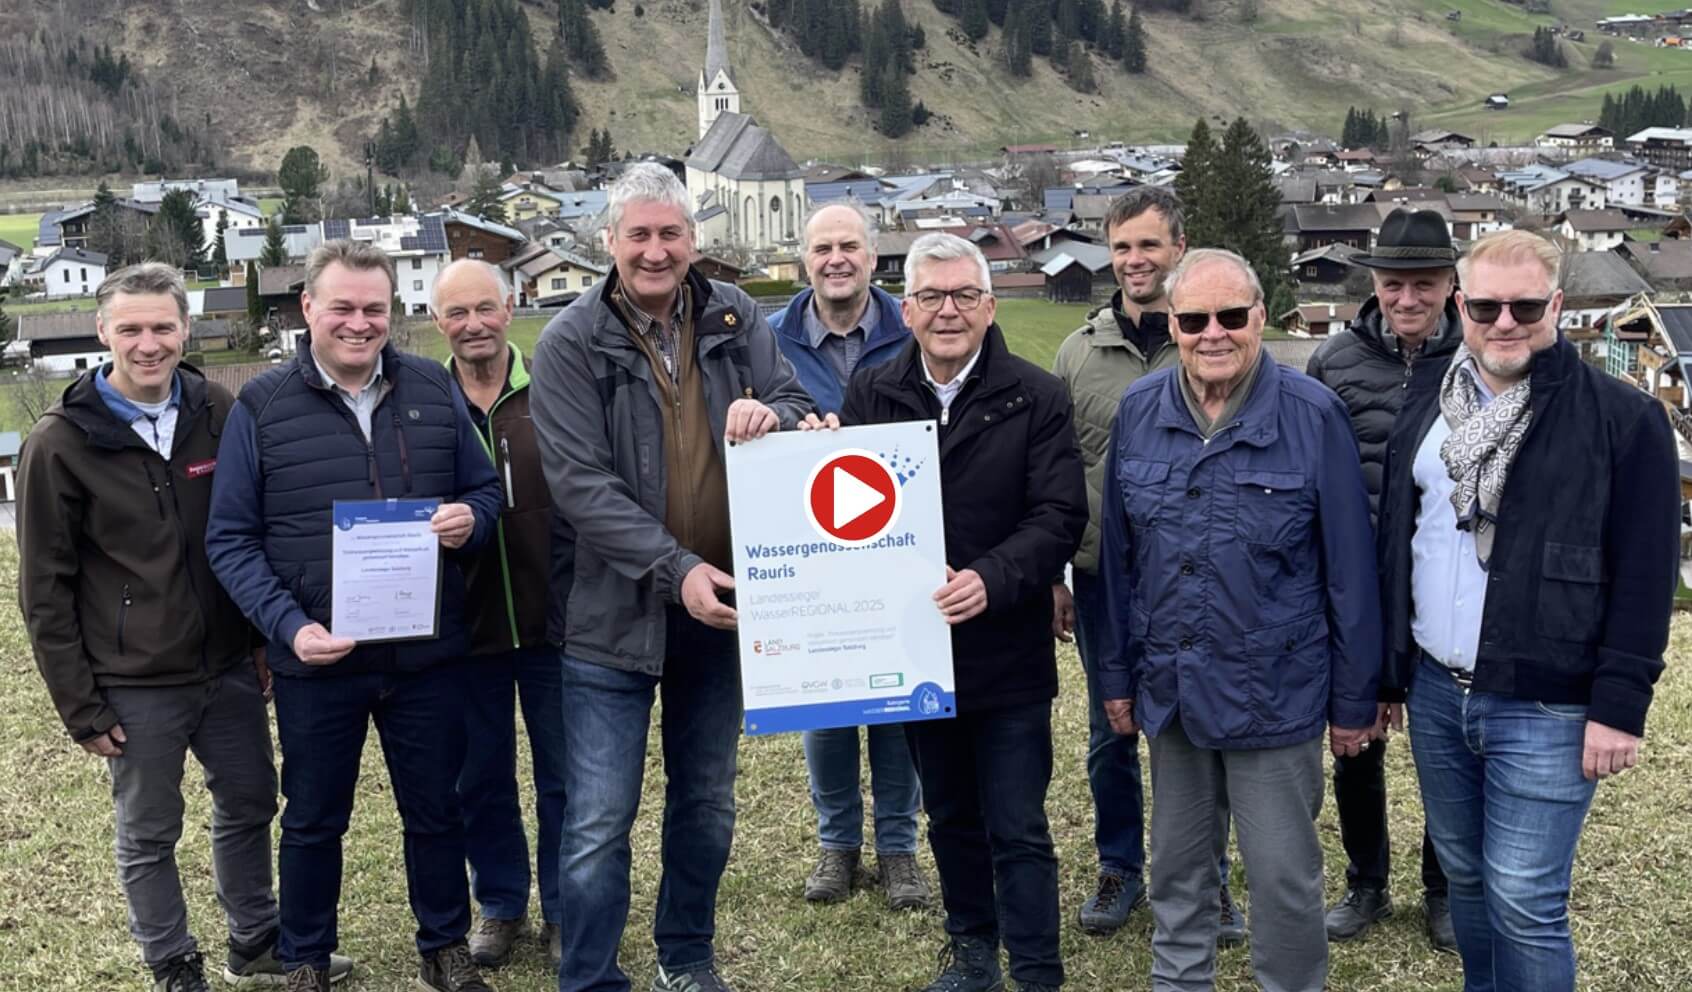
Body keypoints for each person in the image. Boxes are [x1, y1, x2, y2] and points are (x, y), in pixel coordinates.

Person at [17, 263, 352, 992]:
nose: (148, 343)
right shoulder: (60, 442)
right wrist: (80, 704)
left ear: (186, 329)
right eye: (131, 328)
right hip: (135, 680)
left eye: (162, 327)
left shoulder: (216, 410)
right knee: (149, 830)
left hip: (228, 665)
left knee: (251, 801)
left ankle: (254, 938)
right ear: (103, 332)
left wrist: (259, 638)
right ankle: (171, 961)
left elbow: (246, 533)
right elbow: (44, 589)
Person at [526, 162, 812, 992]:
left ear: (693, 239)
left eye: (671, 234)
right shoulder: (570, 342)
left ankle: (685, 958)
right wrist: (674, 568)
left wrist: (774, 414)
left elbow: (798, 402)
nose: (656, 251)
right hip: (609, 618)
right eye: (640, 235)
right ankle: (590, 978)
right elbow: (580, 486)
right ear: (608, 241)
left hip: (719, 611)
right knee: (596, 823)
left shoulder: (736, 314)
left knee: (707, 803)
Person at [1376, 229, 1678, 992]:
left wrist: (1620, 706)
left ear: (1557, 306)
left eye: (1525, 306)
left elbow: (1646, 575)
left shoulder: (1622, 419)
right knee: (1466, 876)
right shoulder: (1430, 402)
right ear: (1461, 308)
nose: (1504, 322)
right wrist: (1389, 672)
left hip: (1548, 701)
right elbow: (1402, 539)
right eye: (1485, 307)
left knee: (1525, 897)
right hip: (1437, 691)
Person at [206, 240, 505, 992]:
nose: (360, 323)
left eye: (375, 309)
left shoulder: (431, 386)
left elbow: (485, 491)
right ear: (308, 307)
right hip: (318, 657)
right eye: (342, 307)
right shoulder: (261, 406)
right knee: (312, 818)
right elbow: (230, 539)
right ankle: (305, 957)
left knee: (435, 809)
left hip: (425, 653)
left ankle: (444, 946)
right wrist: (288, 627)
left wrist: (471, 520)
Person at [1098, 249, 1381, 992]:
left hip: (1275, 693)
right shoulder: (1140, 411)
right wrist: (1117, 678)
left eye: (1230, 316)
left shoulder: (1313, 415)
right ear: (1172, 325)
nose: (1213, 334)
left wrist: (1355, 700)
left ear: (1260, 317)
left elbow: (1350, 573)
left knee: (1283, 877)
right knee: (1177, 872)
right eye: (1194, 320)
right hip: (1173, 691)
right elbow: (1120, 563)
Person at [832, 231, 1086, 992]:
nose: (949, 311)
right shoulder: (871, 392)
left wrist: (991, 578)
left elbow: (1058, 515)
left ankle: (1036, 970)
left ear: (989, 305)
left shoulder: (1037, 395)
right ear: (906, 310)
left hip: (1005, 648)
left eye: (965, 295)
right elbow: (848, 507)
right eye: (932, 297)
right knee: (948, 815)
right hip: (914, 653)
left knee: (1018, 824)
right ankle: (973, 952)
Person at [1049, 187, 1241, 944]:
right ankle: (1120, 865)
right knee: (1111, 729)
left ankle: (1208, 878)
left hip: (1199, 577)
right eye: (1122, 247)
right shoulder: (1078, 353)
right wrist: (1057, 574)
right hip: (1105, 578)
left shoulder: (1213, 341)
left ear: (1179, 248)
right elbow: (1056, 473)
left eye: (1149, 245)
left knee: (1202, 727)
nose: (1135, 260)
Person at [767, 201, 930, 911]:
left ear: (872, 255)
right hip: (812, 547)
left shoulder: (912, 325)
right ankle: (837, 845)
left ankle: (898, 848)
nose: (836, 259)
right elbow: (750, 414)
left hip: (899, 536)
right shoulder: (769, 337)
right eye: (822, 247)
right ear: (804, 259)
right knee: (825, 701)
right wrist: (785, 423)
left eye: (849, 246)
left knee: (898, 696)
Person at [1304, 207, 1457, 951]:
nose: (1407, 298)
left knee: (1445, 751)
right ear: (1375, 286)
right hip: (1356, 587)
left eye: (1424, 284)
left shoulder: (1478, 358)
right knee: (1355, 742)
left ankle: (1445, 886)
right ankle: (1367, 880)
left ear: (1450, 284)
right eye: (1394, 283)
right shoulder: (1333, 363)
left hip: (1441, 587)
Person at [431, 259, 569, 971]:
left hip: (556, 620)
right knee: (479, 778)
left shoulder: (553, 387)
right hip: (466, 625)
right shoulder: (424, 402)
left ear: (510, 307)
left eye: (485, 308)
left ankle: (566, 908)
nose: (474, 325)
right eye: (457, 313)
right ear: (437, 322)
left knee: (564, 777)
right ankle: (502, 902)